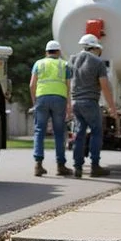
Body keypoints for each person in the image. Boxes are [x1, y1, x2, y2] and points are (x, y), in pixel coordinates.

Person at [68, 33, 118, 178]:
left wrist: (69, 103)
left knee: (79, 134)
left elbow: (68, 81)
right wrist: (112, 107)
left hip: (76, 101)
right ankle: (95, 166)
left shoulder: (72, 59)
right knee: (96, 132)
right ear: (95, 48)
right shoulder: (97, 62)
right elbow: (104, 86)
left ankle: (78, 167)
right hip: (90, 102)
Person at [30, 40, 73, 177]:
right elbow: (68, 86)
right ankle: (61, 166)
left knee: (39, 131)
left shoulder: (38, 63)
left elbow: (32, 85)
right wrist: (68, 105)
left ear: (46, 52)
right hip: (59, 99)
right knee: (59, 133)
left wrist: (34, 102)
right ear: (59, 52)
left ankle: (38, 165)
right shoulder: (64, 64)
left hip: (41, 98)